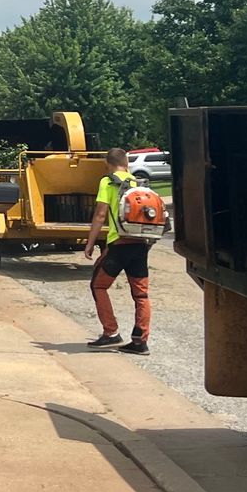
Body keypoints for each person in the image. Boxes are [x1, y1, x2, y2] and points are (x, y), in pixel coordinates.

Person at [85, 145, 151, 355]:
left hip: (119, 243)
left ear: (108, 165)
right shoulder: (138, 182)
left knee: (98, 285)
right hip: (141, 243)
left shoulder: (108, 182)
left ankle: (111, 332)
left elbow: (100, 215)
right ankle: (140, 341)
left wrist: (89, 243)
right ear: (126, 163)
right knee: (141, 295)